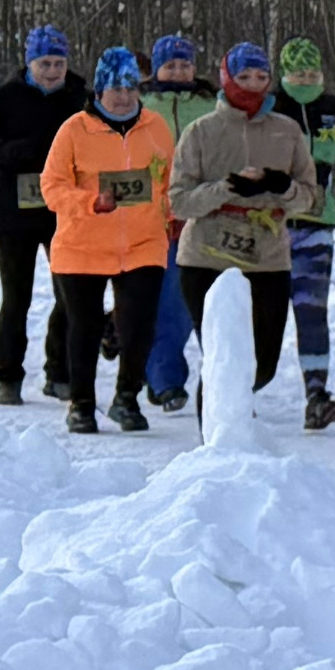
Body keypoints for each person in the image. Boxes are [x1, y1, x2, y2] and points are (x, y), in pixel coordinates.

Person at [168, 41, 321, 404]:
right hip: (206, 256)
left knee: (262, 363)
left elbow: (312, 199)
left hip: (267, 256)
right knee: (222, 359)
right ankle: (218, 441)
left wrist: (281, 187)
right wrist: (225, 188)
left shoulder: (287, 130)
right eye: (244, 76)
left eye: (261, 76)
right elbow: (178, 202)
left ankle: (236, 412)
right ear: (226, 78)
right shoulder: (201, 131)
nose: (253, 84)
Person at [38, 48, 178, 437]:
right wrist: (89, 203)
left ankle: (127, 397)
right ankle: (81, 404)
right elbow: (51, 186)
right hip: (81, 244)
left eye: (130, 86)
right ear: (100, 89)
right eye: (115, 87)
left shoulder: (155, 128)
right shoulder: (74, 130)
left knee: (139, 326)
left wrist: (172, 212)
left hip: (143, 243)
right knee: (82, 327)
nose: (123, 95)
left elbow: (168, 180)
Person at [0, 26, 85, 405]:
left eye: (59, 63)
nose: (53, 71)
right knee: (17, 298)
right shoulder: (5, 98)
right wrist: (9, 152)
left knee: (69, 295)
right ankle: (7, 374)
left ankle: (60, 372)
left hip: (62, 210)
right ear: (30, 62)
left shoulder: (78, 97)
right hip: (13, 211)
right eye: (45, 63)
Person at [271, 39, 335, 428]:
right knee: (264, 316)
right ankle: (238, 392)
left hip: (316, 223)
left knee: (312, 313)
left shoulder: (334, 108)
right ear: (284, 74)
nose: (305, 81)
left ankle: (317, 395)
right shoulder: (272, 106)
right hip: (269, 225)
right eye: (298, 74)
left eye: (312, 74)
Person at [136, 36, 211, 408]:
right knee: (169, 303)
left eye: (185, 64)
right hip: (155, 219)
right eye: (170, 65)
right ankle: (165, 380)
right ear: (158, 69)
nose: (179, 71)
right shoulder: (142, 105)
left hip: (203, 215)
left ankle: (222, 381)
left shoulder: (211, 104)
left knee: (204, 302)